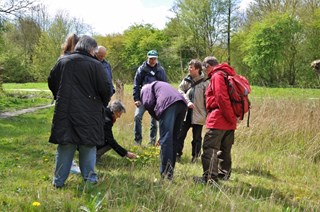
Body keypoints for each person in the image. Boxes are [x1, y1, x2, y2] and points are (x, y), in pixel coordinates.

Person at [48, 35, 112, 188]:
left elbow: (52, 81)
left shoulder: (62, 61)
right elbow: (106, 90)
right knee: (88, 146)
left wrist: (60, 97)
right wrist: (101, 104)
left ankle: (58, 182)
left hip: (65, 111)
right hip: (89, 113)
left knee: (65, 145)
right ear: (91, 49)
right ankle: (89, 181)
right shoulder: (96, 65)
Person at [193, 56, 237, 184]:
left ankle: (210, 178)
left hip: (219, 118)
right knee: (224, 148)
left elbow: (221, 98)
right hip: (229, 121)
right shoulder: (227, 74)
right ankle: (223, 174)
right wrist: (232, 119)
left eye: (204, 69)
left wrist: (229, 117)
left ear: (208, 66)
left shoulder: (217, 76)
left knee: (209, 147)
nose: (205, 72)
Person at [140, 81, 187, 180]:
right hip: (182, 104)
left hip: (168, 103)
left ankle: (166, 174)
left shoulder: (144, 89)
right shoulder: (158, 85)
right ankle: (170, 171)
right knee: (173, 140)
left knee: (166, 140)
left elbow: (148, 103)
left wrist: (162, 128)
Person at [176, 59, 208, 163]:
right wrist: (187, 101)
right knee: (180, 135)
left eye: (191, 67)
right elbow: (180, 90)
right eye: (189, 67)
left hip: (199, 114)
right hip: (185, 113)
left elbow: (208, 99)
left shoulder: (205, 82)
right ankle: (177, 155)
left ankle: (195, 157)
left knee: (197, 138)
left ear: (197, 69)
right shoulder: (186, 79)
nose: (189, 69)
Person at [133, 50, 167, 146]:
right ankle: (137, 142)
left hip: (155, 99)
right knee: (137, 117)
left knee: (154, 121)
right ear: (147, 58)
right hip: (142, 98)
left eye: (154, 59)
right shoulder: (141, 69)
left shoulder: (161, 70)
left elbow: (164, 86)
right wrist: (136, 99)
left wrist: (162, 100)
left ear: (157, 59)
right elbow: (136, 85)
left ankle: (152, 142)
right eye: (150, 58)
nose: (152, 61)